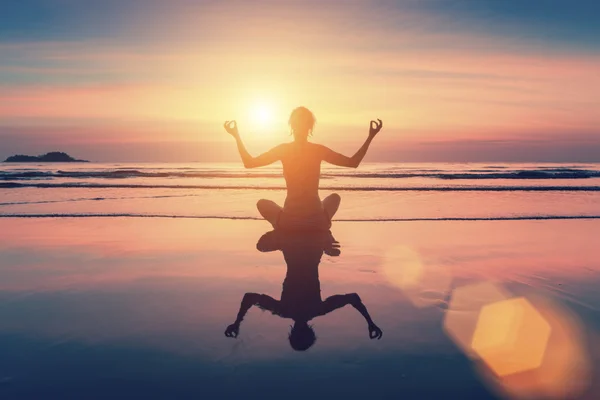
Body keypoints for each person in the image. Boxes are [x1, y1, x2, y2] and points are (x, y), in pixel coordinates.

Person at [223, 107, 383, 230]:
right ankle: (323, 220)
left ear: (292, 126)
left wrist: (236, 136)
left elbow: (249, 163)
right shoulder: (318, 150)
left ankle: (280, 223)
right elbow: (352, 162)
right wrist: (371, 136)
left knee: (262, 203)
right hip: (317, 223)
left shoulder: (283, 149)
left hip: (289, 222)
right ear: (310, 127)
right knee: (334, 198)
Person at [224, 230, 383, 351]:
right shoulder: (283, 310)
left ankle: (323, 232)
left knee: (334, 208)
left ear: (312, 333)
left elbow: (353, 298)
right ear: (291, 333)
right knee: (261, 245)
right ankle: (282, 229)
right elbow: (250, 297)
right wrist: (237, 322)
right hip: (290, 242)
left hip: (314, 242)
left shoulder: (318, 309)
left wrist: (370, 322)